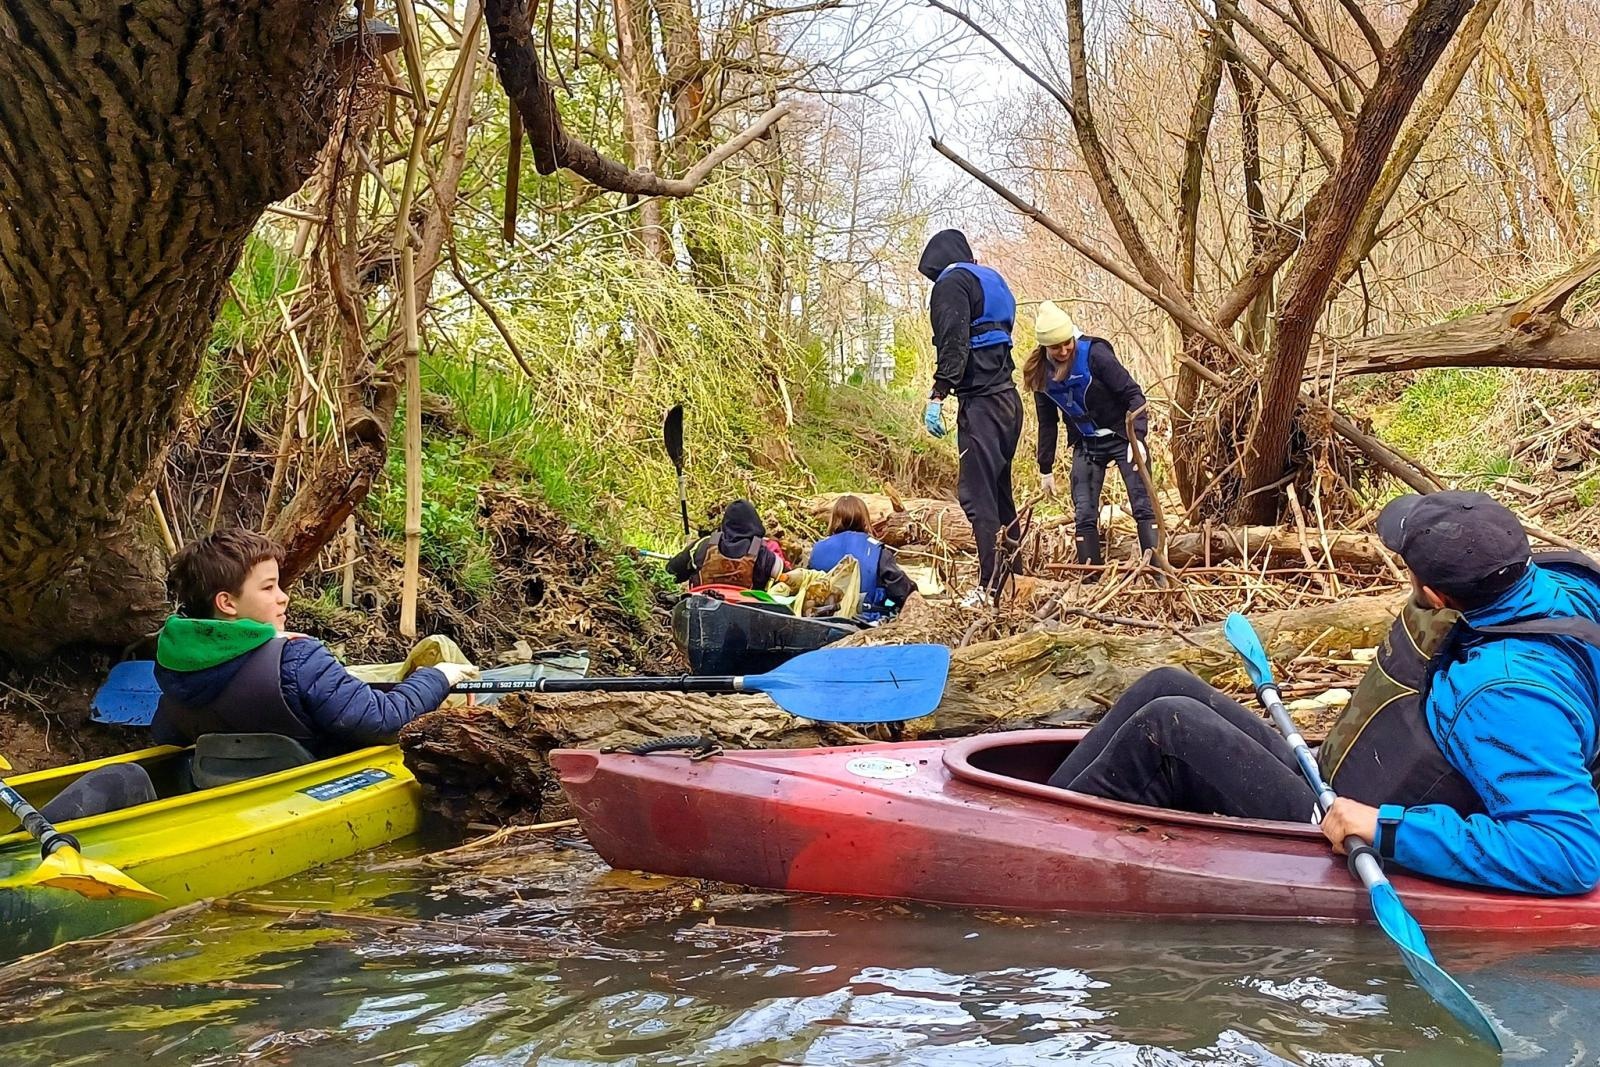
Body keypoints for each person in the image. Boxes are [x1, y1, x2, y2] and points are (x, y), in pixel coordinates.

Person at [1046, 490, 1600, 896]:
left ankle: (1038, 856)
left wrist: (1386, 828)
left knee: (1169, 724)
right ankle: (1045, 810)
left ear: (1434, 593)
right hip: (1341, 786)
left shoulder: (1505, 695)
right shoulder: (1556, 587)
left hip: (1351, 834)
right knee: (1164, 685)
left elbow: (1570, 852)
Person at [151, 528, 474, 756]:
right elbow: (384, 721)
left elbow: (168, 734)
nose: (283, 598)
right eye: (268, 588)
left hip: (231, 783)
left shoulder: (176, 662)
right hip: (310, 781)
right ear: (227, 604)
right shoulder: (295, 656)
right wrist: (438, 676)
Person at [917, 229, 1022, 606]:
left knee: (977, 496)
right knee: (1000, 494)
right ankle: (1015, 577)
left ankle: (990, 587)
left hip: (981, 405)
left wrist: (938, 393)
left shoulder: (950, 283)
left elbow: (954, 341)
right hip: (1008, 401)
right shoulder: (991, 280)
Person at [1026, 300, 1157, 570]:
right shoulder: (1041, 374)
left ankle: (1156, 570)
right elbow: (1047, 423)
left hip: (1123, 435)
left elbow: (1135, 395)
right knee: (1084, 512)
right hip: (1087, 442)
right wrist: (1045, 468)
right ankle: (1090, 576)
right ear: (1044, 347)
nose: (1063, 350)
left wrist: (1139, 439)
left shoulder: (1095, 354)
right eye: (1055, 347)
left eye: (1066, 343)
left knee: (1142, 503)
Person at [806, 495, 917, 616]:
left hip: (821, 614)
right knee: (890, 602)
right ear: (864, 519)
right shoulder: (878, 550)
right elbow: (903, 591)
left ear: (834, 519)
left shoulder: (818, 547)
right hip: (864, 619)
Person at [665, 499, 785, 591]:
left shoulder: (703, 545)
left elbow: (671, 571)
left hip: (702, 613)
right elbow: (788, 582)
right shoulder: (766, 556)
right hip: (746, 619)